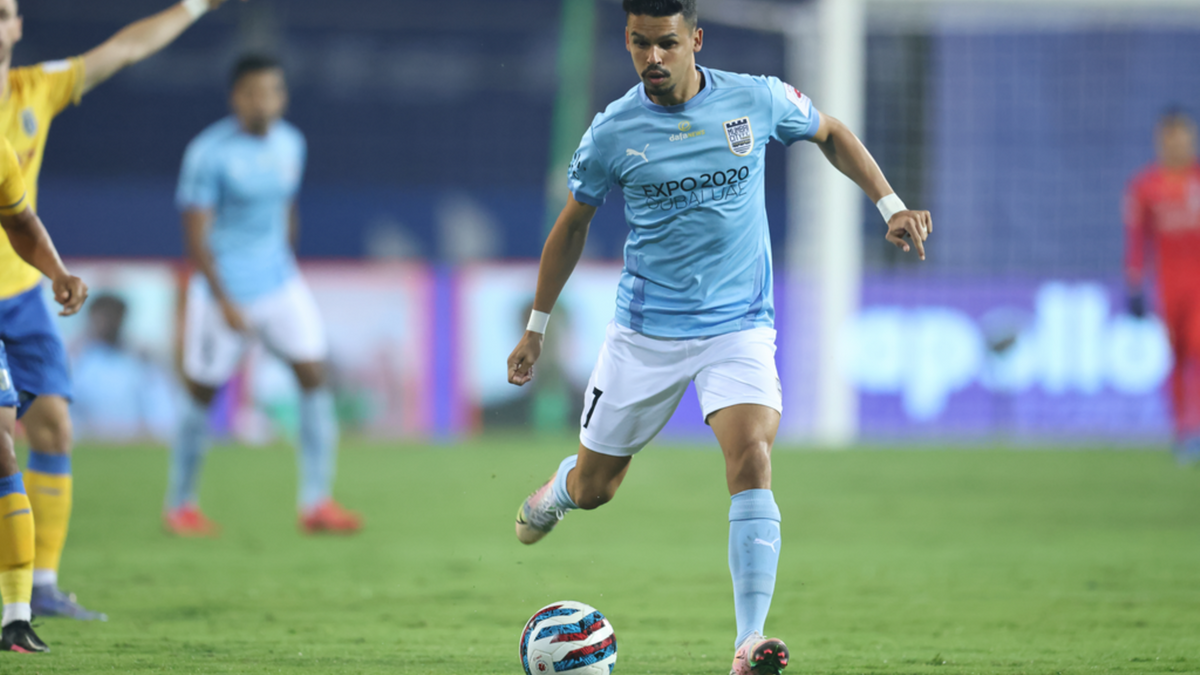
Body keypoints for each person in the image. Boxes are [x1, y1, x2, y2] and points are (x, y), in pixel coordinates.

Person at [506, 1, 931, 673]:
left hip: (739, 326)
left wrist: (891, 204)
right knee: (596, 488)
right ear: (627, 40)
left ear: (695, 40)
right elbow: (573, 225)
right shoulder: (613, 132)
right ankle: (560, 489)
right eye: (640, 43)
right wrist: (536, 328)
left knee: (752, 456)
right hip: (645, 334)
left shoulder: (755, 100)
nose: (653, 58)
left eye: (667, 43)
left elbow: (830, 132)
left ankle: (748, 640)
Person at [0, 0, 245, 620]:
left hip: (22, 292)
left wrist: (194, 5)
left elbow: (126, 49)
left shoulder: (37, 89)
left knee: (54, 428)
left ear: (18, 26)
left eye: (3, 13)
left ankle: (42, 587)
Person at [164, 55, 362, 537]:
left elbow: (286, 209)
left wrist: (286, 264)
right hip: (223, 290)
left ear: (282, 97)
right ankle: (180, 504)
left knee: (313, 375)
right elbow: (195, 239)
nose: (262, 101)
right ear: (236, 98)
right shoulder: (208, 153)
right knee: (201, 392)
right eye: (252, 93)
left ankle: (316, 502)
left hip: (279, 283)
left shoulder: (292, 143)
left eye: (271, 91)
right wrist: (224, 300)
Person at [0, 136, 87, 652]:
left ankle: (17, 616)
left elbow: (19, 221)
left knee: (3, 444)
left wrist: (57, 272)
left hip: (14, 297)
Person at [1125, 108, 1200, 464]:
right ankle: (1183, 431)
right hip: (1168, 288)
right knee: (1177, 357)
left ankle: (1195, 427)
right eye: (1171, 138)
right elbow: (1136, 241)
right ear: (1160, 141)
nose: (1178, 144)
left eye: (1184, 136)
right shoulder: (1145, 187)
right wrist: (1135, 283)